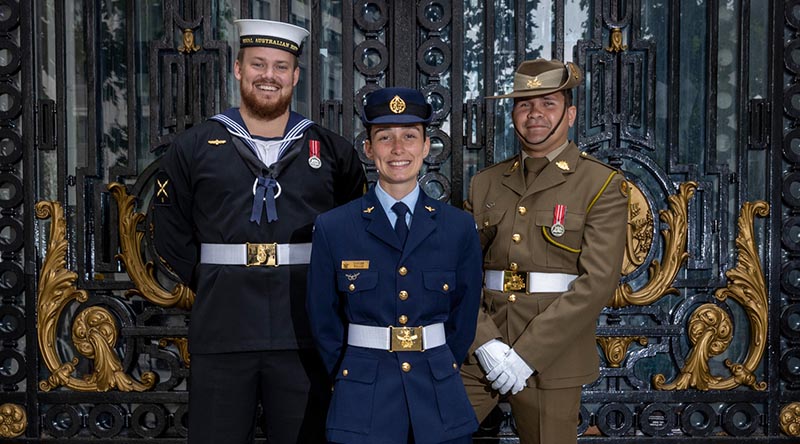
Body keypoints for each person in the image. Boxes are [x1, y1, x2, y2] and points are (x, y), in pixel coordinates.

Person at [152, 19, 366, 444]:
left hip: (304, 329)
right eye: (258, 64)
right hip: (223, 325)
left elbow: (351, 226)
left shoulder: (332, 149)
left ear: (296, 75)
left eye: (281, 66)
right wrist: (209, 277)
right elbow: (167, 224)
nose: (269, 76)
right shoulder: (195, 146)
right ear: (237, 69)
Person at [459, 58, 629, 444]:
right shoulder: (485, 183)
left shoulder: (600, 184)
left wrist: (526, 355)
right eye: (524, 104)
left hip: (553, 356)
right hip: (482, 349)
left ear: (569, 114)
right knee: (430, 430)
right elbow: (462, 272)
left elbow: (597, 284)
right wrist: (484, 342)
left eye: (547, 103)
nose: (534, 113)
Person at [306, 87, 483, 444]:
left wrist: (440, 364)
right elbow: (322, 319)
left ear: (425, 146)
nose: (398, 149)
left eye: (409, 137)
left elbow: (463, 318)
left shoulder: (458, 226)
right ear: (369, 149)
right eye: (385, 138)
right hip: (363, 396)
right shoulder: (335, 227)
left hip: (437, 394)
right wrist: (349, 373)